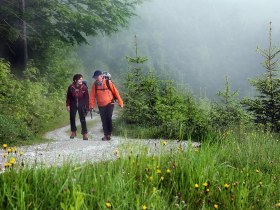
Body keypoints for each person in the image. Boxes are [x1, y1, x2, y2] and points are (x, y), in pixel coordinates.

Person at [90, 70, 123, 140]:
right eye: (95, 77)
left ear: (101, 76)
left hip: (110, 103)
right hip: (101, 105)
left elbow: (116, 92)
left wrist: (120, 102)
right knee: (103, 120)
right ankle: (105, 135)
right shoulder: (94, 85)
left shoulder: (108, 82)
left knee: (108, 118)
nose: (95, 79)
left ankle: (109, 134)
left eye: (96, 77)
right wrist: (91, 106)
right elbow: (92, 96)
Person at [66, 74, 89, 140]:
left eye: (82, 79)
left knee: (82, 119)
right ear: (75, 80)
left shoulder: (84, 87)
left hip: (81, 104)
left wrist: (87, 107)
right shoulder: (70, 87)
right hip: (73, 104)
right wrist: (67, 105)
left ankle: (84, 134)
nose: (81, 80)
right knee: (72, 118)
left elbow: (87, 98)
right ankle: (73, 132)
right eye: (79, 79)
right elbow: (68, 97)